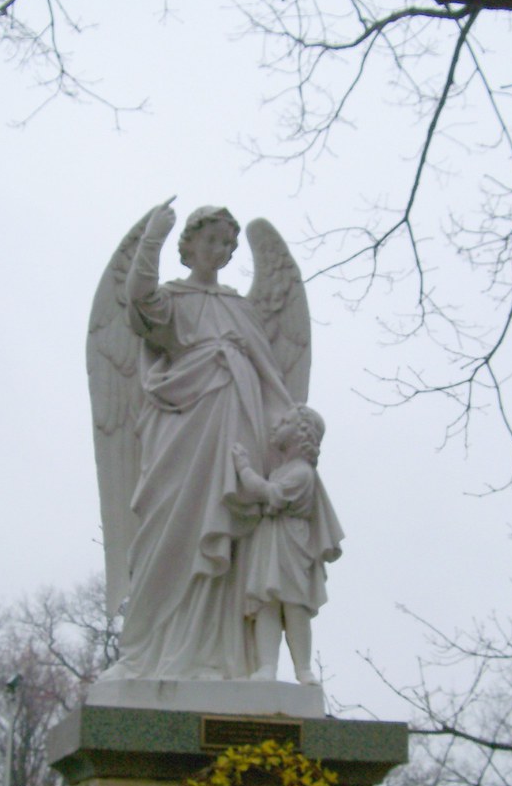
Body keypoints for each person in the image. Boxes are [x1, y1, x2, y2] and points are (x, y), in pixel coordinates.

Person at [104, 202, 295, 680]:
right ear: (189, 245)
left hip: (235, 425)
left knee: (225, 530)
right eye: (210, 240)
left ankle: (215, 656)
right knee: (167, 526)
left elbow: (271, 377)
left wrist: (289, 436)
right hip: (179, 427)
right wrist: (152, 240)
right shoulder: (171, 299)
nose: (220, 250)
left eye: (228, 244)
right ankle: (145, 651)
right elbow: (140, 301)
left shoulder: (239, 307)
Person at [232, 404, 343, 684]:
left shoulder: (302, 473)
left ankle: (302, 669)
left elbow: (271, 495)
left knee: (295, 607)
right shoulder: (284, 469)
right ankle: (267, 666)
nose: (275, 426)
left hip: (293, 544)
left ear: (299, 434)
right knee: (267, 604)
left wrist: (243, 468)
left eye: (284, 422)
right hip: (270, 541)